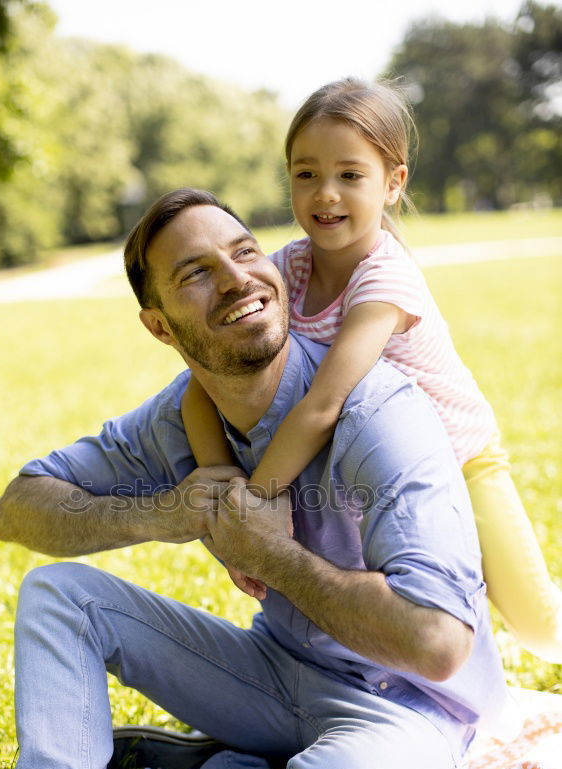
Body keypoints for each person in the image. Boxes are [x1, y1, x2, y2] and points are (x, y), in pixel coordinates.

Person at [0, 187, 519, 769]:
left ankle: (215, 768)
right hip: (277, 672)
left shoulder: (377, 411)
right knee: (59, 594)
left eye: (245, 252)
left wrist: (271, 557)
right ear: (160, 326)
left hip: (406, 701)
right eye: (197, 273)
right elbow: (16, 509)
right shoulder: (177, 418)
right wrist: (169, 511)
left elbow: (437, 644)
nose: (239, 279)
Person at [181, 78, 562, 662]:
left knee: (540, 627)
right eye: (306, 174)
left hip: (461, 463)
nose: (325, 193)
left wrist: (256, 504)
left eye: (350, 176)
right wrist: (228, 493)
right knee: (403, 619)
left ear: (393, 183)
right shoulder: (287, 268)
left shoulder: (385, 280)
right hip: (375, 477)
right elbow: (200, 387)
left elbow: (324, 404)